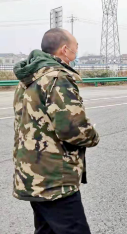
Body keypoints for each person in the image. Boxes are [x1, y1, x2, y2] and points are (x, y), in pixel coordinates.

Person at [13, 28, 100, 234]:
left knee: (46, 230)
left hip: (32, 172)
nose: (76, 53)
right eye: (76, 48)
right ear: (64, 49)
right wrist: (93, 136)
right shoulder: (57, 78)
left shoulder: (28, 78)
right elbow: (73, 129)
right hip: (54, 179)